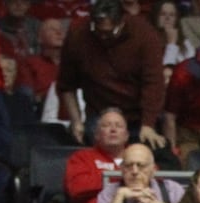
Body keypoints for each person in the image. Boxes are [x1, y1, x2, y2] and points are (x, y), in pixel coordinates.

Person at [56, 0, 167, 150]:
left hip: (138, 115)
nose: (103, 37)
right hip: (99, 114)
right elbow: (66, 84)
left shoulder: (144, 34)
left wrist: (148, 124)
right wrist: (76, 121)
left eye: (109, 33)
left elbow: (153, 84)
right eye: (98, 31)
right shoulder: (78, 33)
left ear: (122, 23)